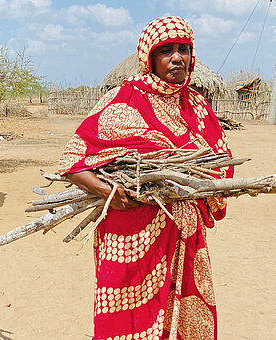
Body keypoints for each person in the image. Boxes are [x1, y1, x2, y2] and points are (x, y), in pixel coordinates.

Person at [58, 16, 232, 340]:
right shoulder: (123, 100)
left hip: (185, 239)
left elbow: (223, 165)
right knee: (129, 324)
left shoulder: (198, 106)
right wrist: (104, 189)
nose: (177, 58)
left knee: (186, 326)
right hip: (130, 239)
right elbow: (72, 159)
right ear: (149, 57)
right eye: (166, 50)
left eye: (184, 49)